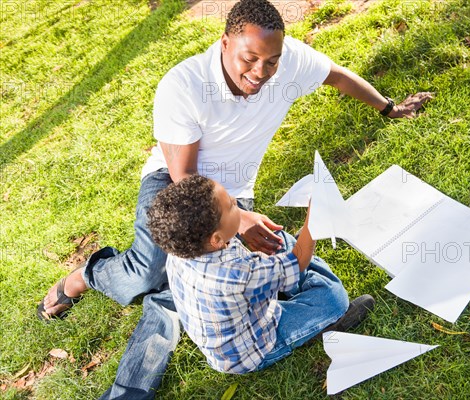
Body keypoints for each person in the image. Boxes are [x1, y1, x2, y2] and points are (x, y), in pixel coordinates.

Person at [37, 0, 432, 397]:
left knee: (192, 280)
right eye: (250, 59)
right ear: (225, 42)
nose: (261, 72)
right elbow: (184, 178)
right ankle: (87, 276)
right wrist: (241, 220)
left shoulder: (286, 61)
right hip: (179, 185)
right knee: (147, 274)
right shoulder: (185, 85)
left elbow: (335, 75)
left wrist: (389, 108)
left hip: (232, 197)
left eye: (272, 61)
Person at [147, 175, 373, 373]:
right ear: (216, 239)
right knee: (333, 297)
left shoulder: (181, 249)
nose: (237, 203)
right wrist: (314, 221)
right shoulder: (237, 273)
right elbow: (299, 261)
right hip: (253, 350)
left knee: (279, 242)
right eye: (232, 206)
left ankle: (283, 275)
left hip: (235, 324)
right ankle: (325, 324)